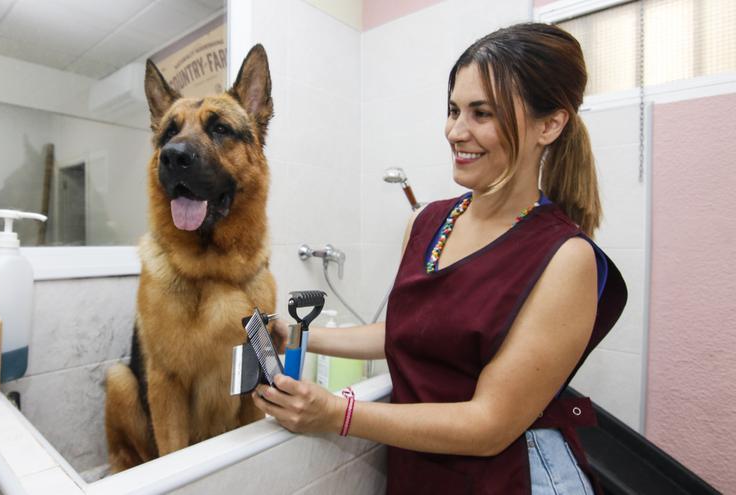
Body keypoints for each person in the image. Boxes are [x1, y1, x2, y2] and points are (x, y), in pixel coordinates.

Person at [253, 22, 627, 494]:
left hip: (510, 477)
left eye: (481, 113)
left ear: (549, 125)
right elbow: (409, 330)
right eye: (453, 110)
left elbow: (490, 424)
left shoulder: (565, 258)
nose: (455, 131)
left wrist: (336, 413)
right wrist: (301, 337)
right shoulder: (427, 223)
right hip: (423, 474)